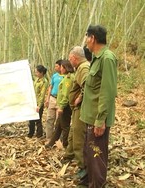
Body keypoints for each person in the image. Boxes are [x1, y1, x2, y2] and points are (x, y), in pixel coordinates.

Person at [78, 25, 117, 187]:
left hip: (97, 119)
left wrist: (100, 120)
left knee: (96, 157)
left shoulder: (107, 58)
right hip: (90, 116)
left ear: (92, 38)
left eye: (87, 36)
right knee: (89, 154)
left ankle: (97, 184)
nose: (86, 41)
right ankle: (89, 182)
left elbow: (107, 92)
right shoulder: (96, 58)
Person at [61, 46, 90, 178]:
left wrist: (79, 98)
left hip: (82, 108)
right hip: (77, 109)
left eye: (69, 58)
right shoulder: (81, 67)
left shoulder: (84, 67)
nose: (69, 61)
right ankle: (69, 155)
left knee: (79, 138)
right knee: (73, 134)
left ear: (74, 57)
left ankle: (83, 168)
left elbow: (87, 86)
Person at [45, 60, 74, 148]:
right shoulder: (65, 77)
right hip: (61, 103)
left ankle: (64, 143)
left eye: (61, 67)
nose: (60, 69)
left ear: (65, 68)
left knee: (65, 126)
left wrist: (61, 107)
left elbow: (65, 94)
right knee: (58, 125)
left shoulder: (68, 79)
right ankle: (51, 143)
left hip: (65, 105)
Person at [44, 60, 64, 140]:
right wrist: (47, 98)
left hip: (60, 100)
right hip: (53, 98)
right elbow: (50, 87)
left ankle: (58, 139)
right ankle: (48, 138)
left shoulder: (66, 76)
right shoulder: (54, 76)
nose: (55, 68)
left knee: (59, 120)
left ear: (61, 66)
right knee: (49, 118)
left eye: (57, 66)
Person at [27, 65, 47, 138]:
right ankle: (30, 134)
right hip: (33, 102)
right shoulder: (36, 79)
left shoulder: (44, 82)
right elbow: (31, 78)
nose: (36, 73)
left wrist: (39, 105)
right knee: (31, 119)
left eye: (37, 72)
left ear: (41, 73)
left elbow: (42, 95)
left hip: (38, 103)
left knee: (38, 120)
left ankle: (39, 134)